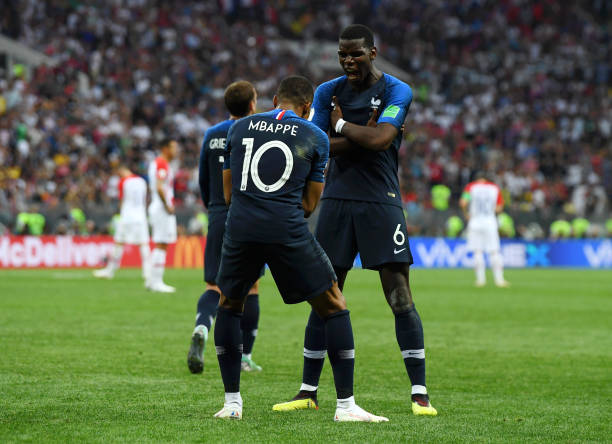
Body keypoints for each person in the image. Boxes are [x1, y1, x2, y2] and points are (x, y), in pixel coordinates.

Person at [272, 25, 437, 416]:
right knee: (324, 294)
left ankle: (419, 394)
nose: (348, 60)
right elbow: (315, 145)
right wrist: (368, 134)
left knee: (399, 295)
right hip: (337, 201)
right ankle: (307, 391)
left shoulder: (398, 90)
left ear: (373, 53)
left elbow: (381, 141)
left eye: (356, 54)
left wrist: (343, 126)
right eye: (342, 54)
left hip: (381, 201)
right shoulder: (327, 91)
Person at [212, 75, 387, 422]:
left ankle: (232, 404)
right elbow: (309, 204)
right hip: (286, 230)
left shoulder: (239, 128)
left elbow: (228, 194)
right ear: (308, 107)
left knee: (230, 304)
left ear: (275, 99)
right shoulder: (315, 136)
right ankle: (346, 407)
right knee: (334, 304)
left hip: (242, 228)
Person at [188, 81, 263, 374]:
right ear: (252, 104)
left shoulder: (212, 134)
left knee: (214, 286)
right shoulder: (258, 132)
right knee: (251, 287)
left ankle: (202, 327)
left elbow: (203, 181)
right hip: (249, 215)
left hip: (219, 214)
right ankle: (244, 357)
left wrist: (215, 208)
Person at [93, 165, 151, 282]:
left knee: (119, 243)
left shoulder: (123, 182)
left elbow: (122, 200)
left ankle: (110, 271)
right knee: (143, 244)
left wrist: (119, 211)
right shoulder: (142, 181)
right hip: (140, 216)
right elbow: (144, 199)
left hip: (127, 216)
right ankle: (148, 273)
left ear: (121, 170)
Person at [459, 173, 509, 287]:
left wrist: (466, 214)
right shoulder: (494, 188)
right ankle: (499, 280)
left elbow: (463, 202)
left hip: (475, 221)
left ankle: (480, 280)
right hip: (490, 222)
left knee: (478, 251)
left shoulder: (471, 187)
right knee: (494, 251)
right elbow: (499, 208)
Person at [147, 138, 179, 293]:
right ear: (165, 148)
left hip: (158, 207)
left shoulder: (159, 163)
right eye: (173, 147)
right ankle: (156, 282)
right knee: (162, 244)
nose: (176, 151)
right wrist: (167, 205)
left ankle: (151, 280)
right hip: (161, 208)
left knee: (160, 243)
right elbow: (160, 187)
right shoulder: (161, 163)